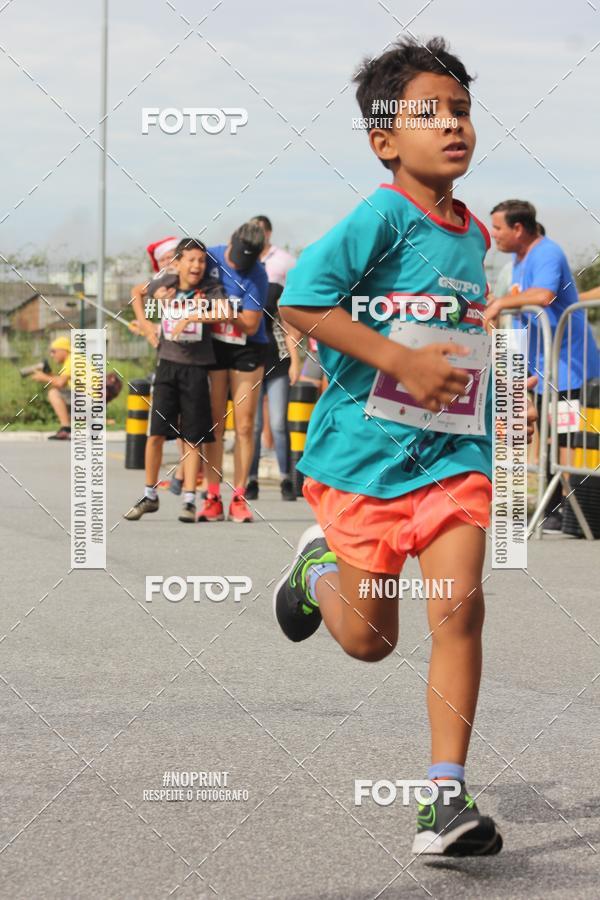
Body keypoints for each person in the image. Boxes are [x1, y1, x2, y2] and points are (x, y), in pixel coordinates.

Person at [272, 36, 537, 857]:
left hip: (452, 459)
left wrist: (499, 401)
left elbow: (456, 340)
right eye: (431, 113)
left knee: (460, 609)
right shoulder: (380, 217)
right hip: (364, 459)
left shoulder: (472, 233)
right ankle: (317, 570)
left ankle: (444, 799)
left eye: (462, 110)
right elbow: (300, 302)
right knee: (369, 642)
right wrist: (397, 360)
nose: (453, 124)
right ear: (384, 140)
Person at [487, 199, 600, 532]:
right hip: (540, 364)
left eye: (498, 228)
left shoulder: (546, 252)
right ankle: (552, 510)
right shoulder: (519, 260)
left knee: (565, 437)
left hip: (569, 366)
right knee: (544, 435)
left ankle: (572, 511)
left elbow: (543, 296)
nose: (494, 235)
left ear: (518, 228)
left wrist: (500, 304)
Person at [124, 239, 232, 523]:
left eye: (201, 261)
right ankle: (149, 495)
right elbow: (136, 292)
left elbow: (225, 312)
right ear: (178, 262)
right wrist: (145, 323)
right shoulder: (165, 282)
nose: (197, 266)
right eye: (191, 260)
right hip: (167, 366)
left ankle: (189, 500)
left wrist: (193, 316)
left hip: (196, 368)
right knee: (156, 435)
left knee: (192, 437)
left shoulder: (209, 288)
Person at [195, 222, 269, 524]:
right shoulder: (209, 257)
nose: (239, 264)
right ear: (230, 240)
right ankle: (212, 495)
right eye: (236, 257)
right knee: (215, 423)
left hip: (247, 349)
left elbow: (251, 324)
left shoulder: (258, 274)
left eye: (246, 261)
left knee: (245, 424)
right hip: (214, 346)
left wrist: (228, 314)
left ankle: (239, 496)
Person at [246, 216, 302, 501]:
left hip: (277, 361)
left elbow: (289, 328)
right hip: (250, 363)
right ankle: (251, 480)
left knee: (279, 423)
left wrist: (295, 361)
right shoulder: (243, 287)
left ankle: (286, 480)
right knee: (254, 426)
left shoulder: (276, 289)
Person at [30, 336, 73, 440]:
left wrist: (43, 377)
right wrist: (48, 374)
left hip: (89, 397)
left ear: (63, 350)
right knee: (62, 396)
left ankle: (65, 429)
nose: (52, 355)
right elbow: (61, 382)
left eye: (54, 351)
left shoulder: (72, 360)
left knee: (54, 393)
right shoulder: (73, 359)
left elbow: (60, 383)